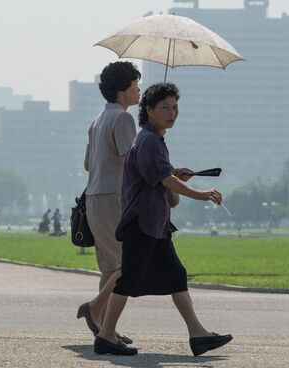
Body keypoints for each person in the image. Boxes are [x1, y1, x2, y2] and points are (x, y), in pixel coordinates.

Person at [94, 83, 232, 356]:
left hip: (154, 225)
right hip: (143, 224)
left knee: (176, 276)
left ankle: (198, 334)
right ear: (149, 110)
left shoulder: (153, 140)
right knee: (129, 280)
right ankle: (106, 335)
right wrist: (200, 194)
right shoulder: (148, 141)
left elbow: (162, 176)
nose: (172, 113)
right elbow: (166, 180)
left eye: (175, 107)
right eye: (165, 108)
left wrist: (172, 171)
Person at [76, 61, 140, 345]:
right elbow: (133, 162)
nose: (139, 90)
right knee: (129, 263)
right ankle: (95, 308)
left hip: (93, 196)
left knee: (109, 267)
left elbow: (89, 164)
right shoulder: (124, 119)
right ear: (122, 90)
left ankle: (105, 329)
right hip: (115, 197)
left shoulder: (97, 120)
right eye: (135, 85)